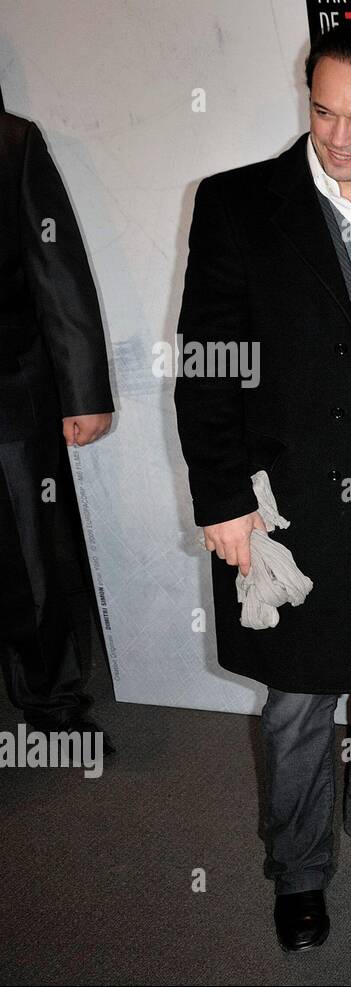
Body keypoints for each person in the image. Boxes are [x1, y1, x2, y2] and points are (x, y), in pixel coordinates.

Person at [174, 27, 351, 952]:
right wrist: (220, 498)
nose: (337, 134)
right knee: (298, 701)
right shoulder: (240, 204)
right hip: (292, 509)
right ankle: (298, 871)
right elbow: (207, 365)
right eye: (323, 110)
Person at [0, 106, 115, 752]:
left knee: (33, 553)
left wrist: (84, 392)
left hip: (11, 387)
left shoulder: (13, 141)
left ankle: (52, 700)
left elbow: (56, 268)